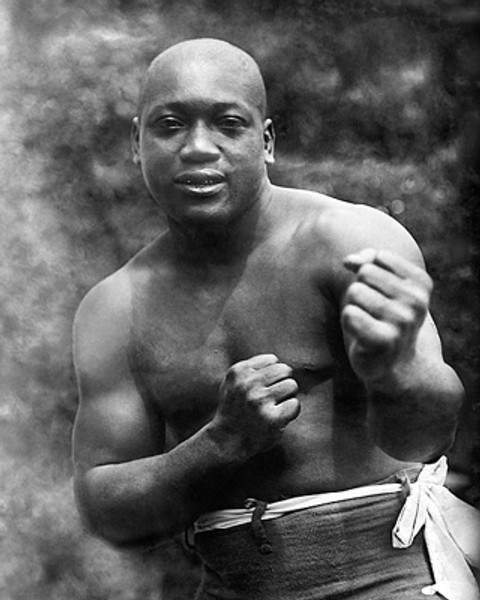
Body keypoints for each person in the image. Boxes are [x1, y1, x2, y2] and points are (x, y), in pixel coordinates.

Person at [72, 38, 479, 600]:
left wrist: (395, 367)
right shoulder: (114, 308)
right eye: (169, 125)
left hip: (394, 579)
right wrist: (216, 445)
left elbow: (426, 437)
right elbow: (107, 512)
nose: (197, 148)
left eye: (227, 124)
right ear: (136, 144)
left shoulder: (348, 241)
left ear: (264, 141)